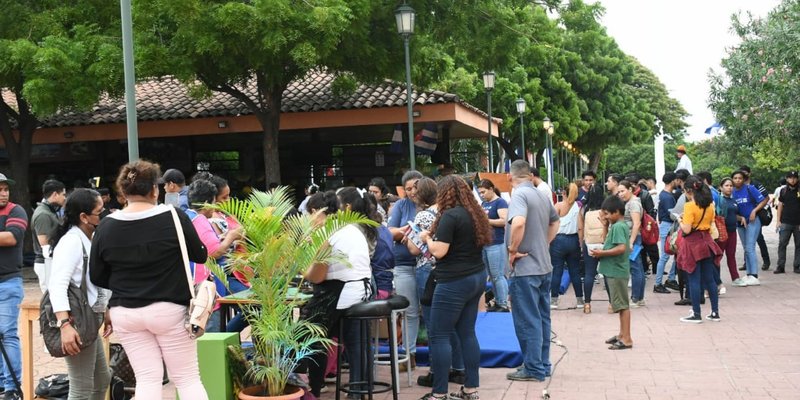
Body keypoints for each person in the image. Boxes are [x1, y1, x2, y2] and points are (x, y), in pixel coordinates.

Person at [90, 161, 209, 400]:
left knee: (146, 379)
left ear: (122, 193)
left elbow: (97, 275)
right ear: (155, 190)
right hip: (169, 309)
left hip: (125, 312)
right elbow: (200, 255)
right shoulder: (173, 216)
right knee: (187, 379)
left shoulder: (106, 226)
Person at [417, 175, 492, 400]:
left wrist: (426, 238)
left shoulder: (450, 216)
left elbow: (439, 251)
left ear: (444, 194)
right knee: (467, 333)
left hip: (453, 281)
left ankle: (439, 393)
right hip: (476, 277)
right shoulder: (475, 213)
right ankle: (470, 389)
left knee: (439, 335)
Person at [302, 188, 374, 398]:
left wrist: (301, 268)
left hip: (343, 293)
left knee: (308, 333)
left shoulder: (327, 232)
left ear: (315, 211)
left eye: (309, 216)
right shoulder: (350, 227)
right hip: (362, 290)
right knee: (352, 342)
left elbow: (316, 277)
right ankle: (357, 389)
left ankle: (311, 387)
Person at [48, 188, 113, 400]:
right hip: (76, 322)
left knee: (102, 379)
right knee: (81, 388)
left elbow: (96, 282)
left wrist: (105, 310)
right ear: (84, 217)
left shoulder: (89, 238)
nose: (102, 216)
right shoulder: (71, 242)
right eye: (99, 212)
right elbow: (56, 285)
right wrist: (65, 325)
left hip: (89, 319)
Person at [407, 177, 465, 388]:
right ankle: (459, 368)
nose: (412, 193)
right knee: (454, 325)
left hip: (427, 270)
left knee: (434, 325)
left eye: (415, 190)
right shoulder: (447, 212)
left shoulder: (423, 215)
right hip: (448, 270)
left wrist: (408, 238)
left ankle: (435, 371)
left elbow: (415, 249)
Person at [505, 160, 560, 382]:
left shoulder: (519, 195)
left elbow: (517, 223)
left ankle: (533, 367)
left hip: (525, 269)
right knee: (542, 318)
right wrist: (543, 243)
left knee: (528, 319)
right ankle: (542, 364)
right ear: (529, 175)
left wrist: (513, 249)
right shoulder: (540, 194)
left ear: (510, 177)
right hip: (543, 265)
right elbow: (555, 222)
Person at [184, 179, 243, 332]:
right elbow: (214, 252)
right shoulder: (200, 220)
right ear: (207, 202)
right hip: (206, 289)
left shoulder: (187, 217)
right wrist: (231, 237)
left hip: (193, 287)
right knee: (211, 334)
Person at [387, 170, 424, 370]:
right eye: (408, 188)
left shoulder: (432, 203)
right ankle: (409, 354)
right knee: (409, 311)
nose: (411, 192)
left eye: (415, 187)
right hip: (403, 265)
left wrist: (405, 233)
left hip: (426, 265)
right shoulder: (401, 205)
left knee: (429, 311)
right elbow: (390, 231)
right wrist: (410, 231)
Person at [677, 176, 723, 323]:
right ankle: (715, 312)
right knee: (710, 279)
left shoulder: (689, 206)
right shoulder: (710, 205)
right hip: (707, 242)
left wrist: (680, 220)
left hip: (693, 243)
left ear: (689, 190)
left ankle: (696, 313)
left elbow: (687, 228)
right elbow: (710, 222)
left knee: (694, 279)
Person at [589, 196, 632, 349]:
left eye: (607, 214)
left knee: (622, 305)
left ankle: (626, 338)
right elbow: (606, 241)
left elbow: (621, 248)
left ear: (616, 212)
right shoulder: (615, 226)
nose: (605, 217)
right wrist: (605, 225)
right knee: (619, 305)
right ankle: (622, 334)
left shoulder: (620, 226)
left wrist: (601, 254)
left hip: (617, 270)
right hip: (613, 270)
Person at [0, 172, 27, 400]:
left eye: (5, 189)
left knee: (7, 333)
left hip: (8, 282)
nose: (3, 193)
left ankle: (12, 388)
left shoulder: (15, 211)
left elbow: (11, 237)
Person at [731, 170, 769, 285]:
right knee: (746, 248)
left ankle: (754, 275)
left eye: (740, 178)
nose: (738, 180)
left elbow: (764, 200)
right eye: (735, 178)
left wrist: (754, 211)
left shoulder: (749, 188)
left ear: (744, 179)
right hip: (740, 224)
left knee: (750, 247)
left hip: (753, 221)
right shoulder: (731, 192)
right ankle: (749, 274)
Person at [477, 179, 510, 312]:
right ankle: (497, 300)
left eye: (484, 192)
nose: (482, 195)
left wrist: (486, 221)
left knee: (498, 275)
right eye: (480, 193)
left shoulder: (500, 202)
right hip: (485, 243)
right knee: (491, 274)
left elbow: (504, 221)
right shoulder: (484, 203)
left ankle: (502, 303)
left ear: (491, 189)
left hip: (496, 243)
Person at [549, 183, 583, 309]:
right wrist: (581, 243)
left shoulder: (558, 206)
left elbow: (551, 223)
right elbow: (580, 227)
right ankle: (580, 300)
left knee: (557, 270)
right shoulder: (578, 206)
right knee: (575, 271)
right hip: (573, 240)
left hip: (558, 240)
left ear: (563, 193)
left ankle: (554, 301)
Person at [31, 179, 66, 292]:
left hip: (51, 262)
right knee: (51, 300)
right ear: (55, 194)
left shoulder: (49, 211)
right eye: (63, 194)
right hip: (46, 263)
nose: (65, 198)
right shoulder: (43, 214)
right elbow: (45, 246)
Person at [616, 181, 646, 307]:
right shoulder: (631, 202)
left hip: (632, 239)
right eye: (619, 192)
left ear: (630, 189)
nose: (620, 194)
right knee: (637, 268)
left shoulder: (633, 203)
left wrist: (631, 242)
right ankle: (639, 298)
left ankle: (635, 298)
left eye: (622, 191)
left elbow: (637, 224)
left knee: (635, 268)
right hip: (631, 238)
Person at [578, 183, 606, 314]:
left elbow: (580, 228)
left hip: (589, 243)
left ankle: (587, 303)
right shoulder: (606, 209)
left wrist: (581, 242)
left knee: (589, 273)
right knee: (607, 273)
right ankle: (612, 303)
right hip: (604, 243)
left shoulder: (584, 209)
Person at [740, 166, 771, 270]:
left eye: (745, 173)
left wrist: (756, 210)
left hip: (755, 216)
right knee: (745, 241)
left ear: (749, 173)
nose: (743, 175)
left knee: (759, 238)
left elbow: (766, 198)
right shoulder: (739, 186)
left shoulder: (756, 184)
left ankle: (766, 261)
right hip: (744, 217)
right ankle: (746, 263)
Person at [718, 178, 746, 287]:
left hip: (732, 231)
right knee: (718, 256)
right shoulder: (719, 200)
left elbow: (734, 214)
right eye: (726, 185)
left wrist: (741, 218)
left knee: (731, 255)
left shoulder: (733, 201)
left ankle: (735, 278)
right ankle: (716, 280)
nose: (729, 188)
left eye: (731, 186)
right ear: (721, 187)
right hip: (722, 232)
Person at [654, 172, 678, 293]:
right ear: (672, 181)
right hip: (668, 226)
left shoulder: (663, 194)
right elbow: (672, 214)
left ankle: (671, 278)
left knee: (673, 254)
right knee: (665, 256)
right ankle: (658, 283)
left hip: (666, 225)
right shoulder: (667, 197)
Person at [775, 170, 800, 274]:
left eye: (794, 177)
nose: (792, 180)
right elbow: (780, 206)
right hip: (785, 222)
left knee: (799, 245)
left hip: (798, 223)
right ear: (787, 179)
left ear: (797, 178)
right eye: (790, 177)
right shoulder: (783, 191)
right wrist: (778, 221)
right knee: (782, 244)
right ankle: (781, 266)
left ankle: (797, 266)